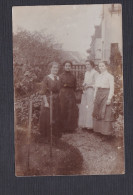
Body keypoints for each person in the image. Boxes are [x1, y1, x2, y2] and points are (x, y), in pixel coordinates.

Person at [39, 61, 62, 142]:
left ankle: (55, 135)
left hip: (56, 100)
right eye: (54, 67)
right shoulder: (47, 78)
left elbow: (59, 91)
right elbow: (43, 92)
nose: (56, 69)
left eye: (57, 67)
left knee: (56, 116)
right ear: (50, 68)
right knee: (47, 117)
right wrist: (46, 102)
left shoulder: (58, 78)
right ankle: (46, 136)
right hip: (48, 100)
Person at [92, 61, 115, 139]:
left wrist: (109, 99)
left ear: (106, 67)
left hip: (106, 94)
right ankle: (99, 131)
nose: (101, 67)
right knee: (98, 112)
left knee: (105, 113)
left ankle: (106, 134)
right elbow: (96, 88)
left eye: (103, 66)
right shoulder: (98, 76)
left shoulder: (110, 76)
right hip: (99, 94)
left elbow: (112, 88)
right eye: (100, 66)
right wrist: (94, 97)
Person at [78, 60, 99, 131]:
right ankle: (85, 124)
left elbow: (97, 84)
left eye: (88, 64)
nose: (87, 66)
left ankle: (90, 126)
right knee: (84, 107)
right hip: (85, 91)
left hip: (91, 91)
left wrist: (89, 86)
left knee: (90, 107)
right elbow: (85, 81)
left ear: (92, 65)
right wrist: (84, 84)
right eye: (86, 64)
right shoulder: (86, 72)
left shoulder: (95, 73)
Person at [59, 61, 78, 133]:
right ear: (64, 67)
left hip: (71, 94)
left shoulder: (73, 76)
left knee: (71, 110)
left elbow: (75, 86)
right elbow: (60, 85)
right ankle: (63, 128)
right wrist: (67, 85)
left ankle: (71, 128)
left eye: (69, 66)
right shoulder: (61, 76)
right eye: (66, 66)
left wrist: (67, 85)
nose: (68, 67)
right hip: (63, 94)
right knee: (63, 109)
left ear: (71, 67)